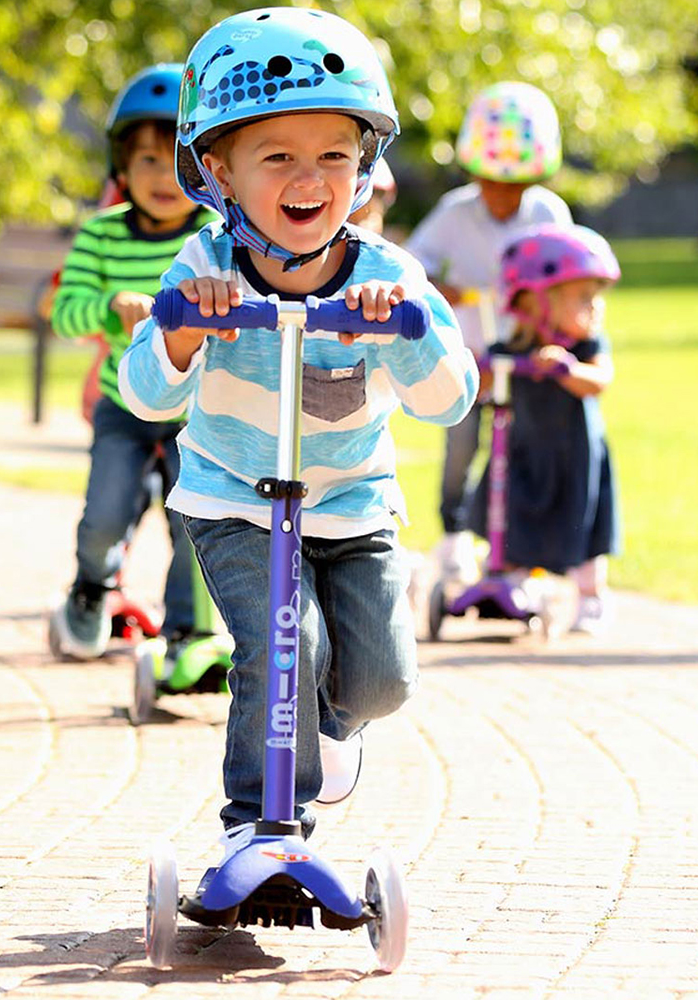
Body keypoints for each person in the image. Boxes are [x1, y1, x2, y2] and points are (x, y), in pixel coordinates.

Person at [119, 7, 478, 844]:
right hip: (235, 499)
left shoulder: (389, 276)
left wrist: (406, 328)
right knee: (284, 649)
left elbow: (449, 401)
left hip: (353, 504)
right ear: (218, 171)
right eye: (276, 156)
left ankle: (335, 730)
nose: (308, 178)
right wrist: (181, 329)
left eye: (333, 157)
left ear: (363, 168)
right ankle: (259, 823)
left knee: (382, 681)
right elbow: (145, 396)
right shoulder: (205, 265)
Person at [48, 64, 217, 660]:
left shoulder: (217, 236)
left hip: (197, 410)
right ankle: (93, 586)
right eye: (146, 160)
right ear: (121, 167)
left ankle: (185, 635)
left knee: (193, 525)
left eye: (176, 160)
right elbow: (63, 314)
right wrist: (105, 305)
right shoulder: (101, 235)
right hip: (123, 404)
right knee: (105, 513)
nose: (161, 176)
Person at [404, 82, 572, 585]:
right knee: (461, 447)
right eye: (492, 183)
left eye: (514, 185)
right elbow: (411, 264)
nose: (501, 195)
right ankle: (454, 534)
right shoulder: (456, 212)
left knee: (522, 449)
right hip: (471, 353)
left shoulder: (547, 213)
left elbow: (567, 270)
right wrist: (442, 287)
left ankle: (515, 546)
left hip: (522, 355)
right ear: (475, 174)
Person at [469, 224, 622, 633]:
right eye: (584, 297)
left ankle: (590, 597)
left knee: (583, 524)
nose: (596, 308)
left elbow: (599, 382)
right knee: (513, 514)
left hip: (575, 457)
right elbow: (478, 384)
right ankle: (512, 579)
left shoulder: (586, 348)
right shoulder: (509, 351)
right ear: (538, 301)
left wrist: (567, 368)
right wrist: (478, 370)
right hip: (522, 452)